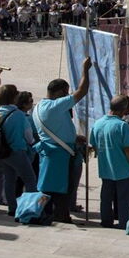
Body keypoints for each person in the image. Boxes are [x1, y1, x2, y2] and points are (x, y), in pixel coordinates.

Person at [34, 57, 91, 222]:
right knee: (62, 188)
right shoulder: (54, 106)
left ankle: (47, 213)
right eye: (65, 93)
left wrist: (73, 137)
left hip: (51, 151)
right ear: (58, 92)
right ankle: (60, 215)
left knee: (48, 186)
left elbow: (55, 127)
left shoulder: (39, 106)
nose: (67, 96)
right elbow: (82, 91)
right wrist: (85, 70)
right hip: (60, 153)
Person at [89, 95, 129, 229]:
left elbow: (93, 145)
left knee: (106, 198)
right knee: (124, 199)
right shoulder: (122, 126)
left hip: (105, 168)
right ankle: (124, 223)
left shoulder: (98, 123)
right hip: (122, 169)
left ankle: (106, 221)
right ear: (123, 109)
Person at [0, 84, 38, 216]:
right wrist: (33, 144)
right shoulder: (19, 115)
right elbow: (28, 135)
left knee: (9, 179)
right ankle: (29, 210)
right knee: (30, 179)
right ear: (14, 97)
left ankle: (12, 207)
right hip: (17, 151)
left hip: (1, 152)